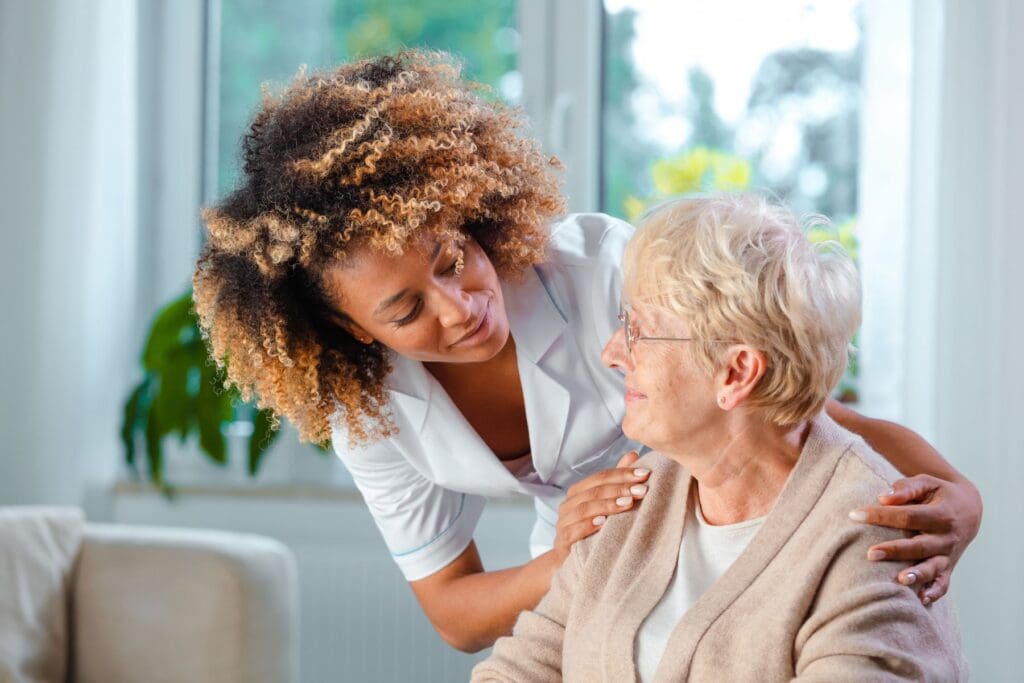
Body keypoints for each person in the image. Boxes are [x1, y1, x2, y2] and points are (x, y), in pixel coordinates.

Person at [192, 50, 981, 652]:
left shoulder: (602, 270)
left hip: (737, 520)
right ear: (357, 333)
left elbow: (795, 405)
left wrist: (959, 494)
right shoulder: (370, 409)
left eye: (452, 257)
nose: (462, 307)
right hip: (589, 561)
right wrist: (570, 555)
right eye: (406, 310)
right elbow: (456, 611)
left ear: (466, 212)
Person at [473, 194, 967, 681]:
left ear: (735, 373)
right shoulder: (635, 494)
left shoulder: (870, 543)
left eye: (637, 330)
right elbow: (523, 666)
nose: (612, 353)